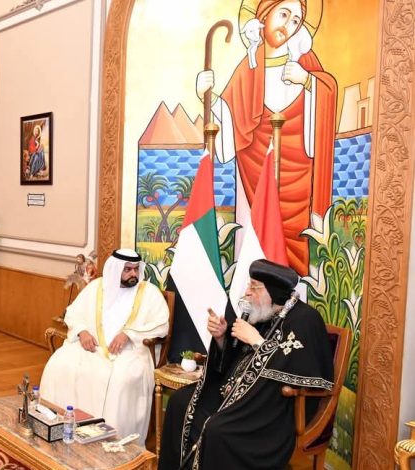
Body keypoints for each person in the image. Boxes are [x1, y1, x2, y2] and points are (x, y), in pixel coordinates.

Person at [196, 0, 337, 275]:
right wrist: (206, 96)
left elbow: (327, 97)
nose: (288, 25)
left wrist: (308, 81)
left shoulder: (304, 62)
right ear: (264, 15)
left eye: (296, 20)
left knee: (292, 253)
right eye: (283, 14)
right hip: (254, 176)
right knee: (255, 242)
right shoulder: (249, 66)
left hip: (298, 183)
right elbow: (229, 123)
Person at [158, 259, 334, 470]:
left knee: (217, 430)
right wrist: (221, 337)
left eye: (255, 287)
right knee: (179, 402)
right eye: (249, 285)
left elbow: (300, 373)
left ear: (274, 292)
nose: (247, 292)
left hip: (272, 407)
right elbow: (237, 358)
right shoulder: (264, 312)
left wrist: (257, 341)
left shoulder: (306, 320)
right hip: (240, 393)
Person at [40, 249, 170, 444]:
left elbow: (161, 325)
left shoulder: (148, 293)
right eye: (127, 269)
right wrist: (82, 331)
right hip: (92, 348)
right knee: (59, 364)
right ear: (115, 269)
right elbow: (73, 313)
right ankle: (59, 426)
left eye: (136, 269)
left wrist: (128, 334)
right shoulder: (97, 287)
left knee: (119, 380)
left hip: (131, 352)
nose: (133, 274)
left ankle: (113, 442)